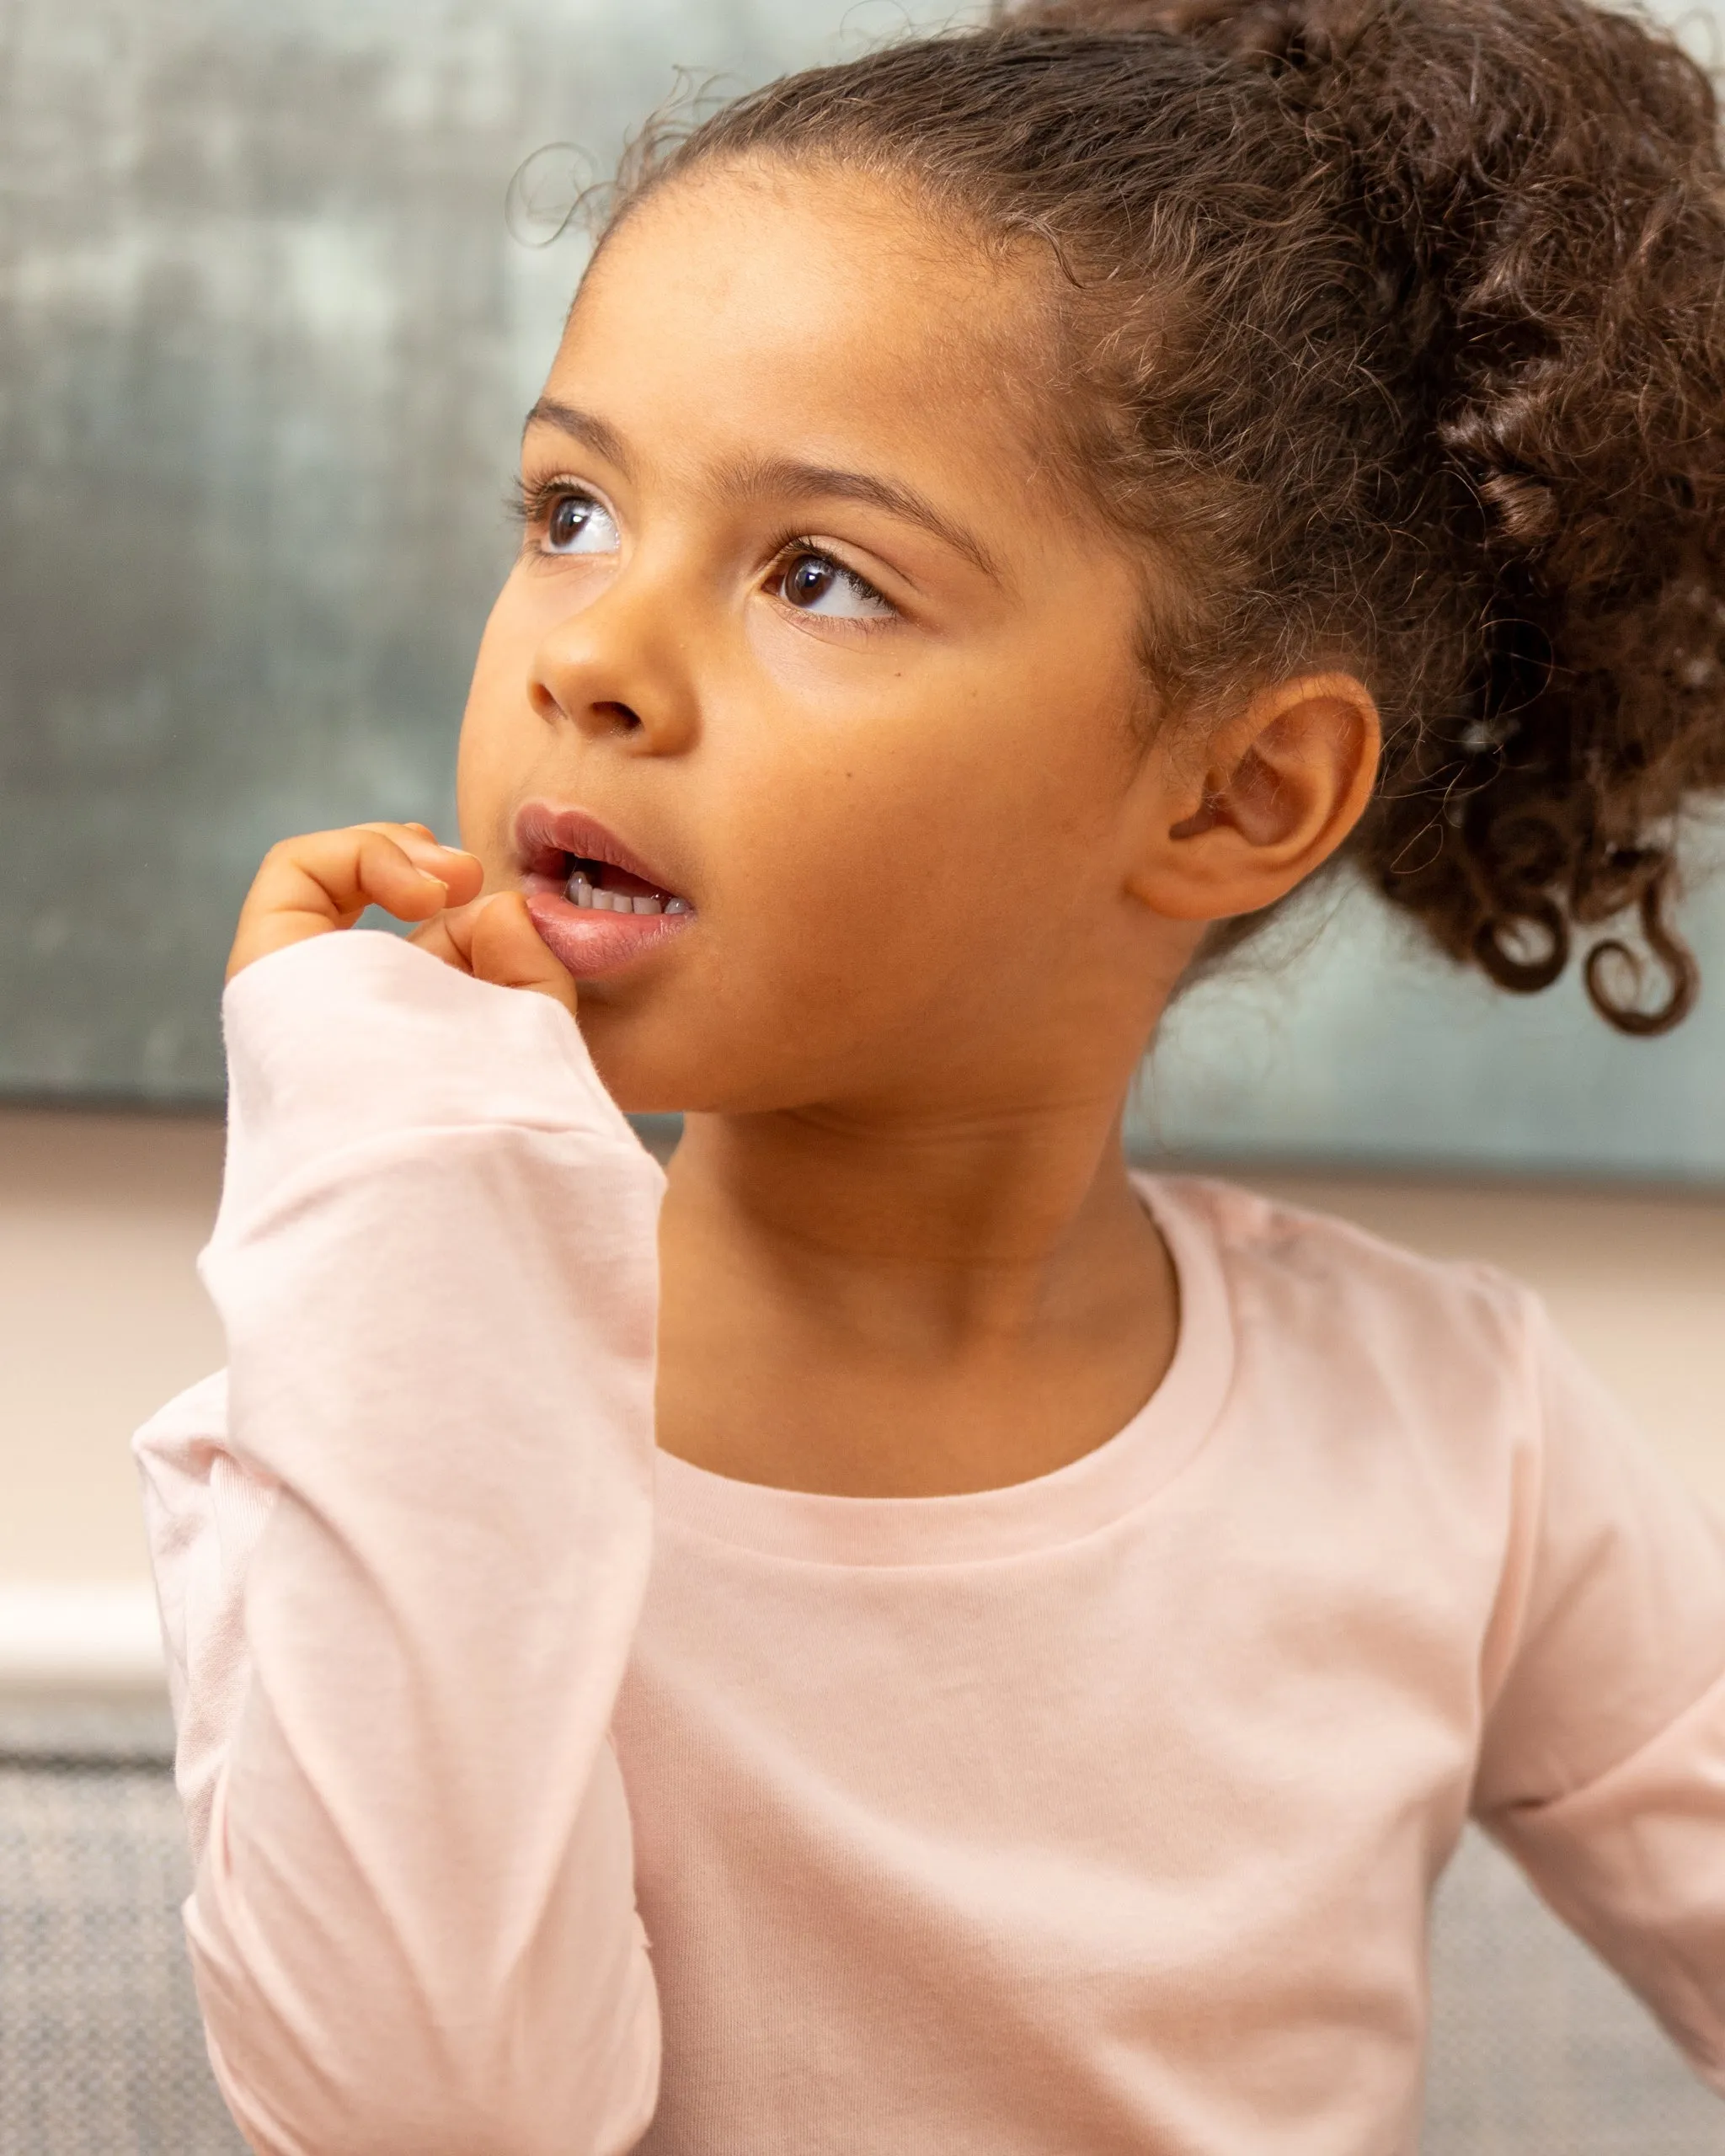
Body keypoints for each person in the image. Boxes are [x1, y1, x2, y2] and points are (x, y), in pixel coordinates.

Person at [134, 1, 1725, 2148]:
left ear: (1243, 792)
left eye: (819, 574)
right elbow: (431, 2117)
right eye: (569, 507)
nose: (580, 657)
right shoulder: (366, 1408)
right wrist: (409, 1184)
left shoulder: (1460, 1439)